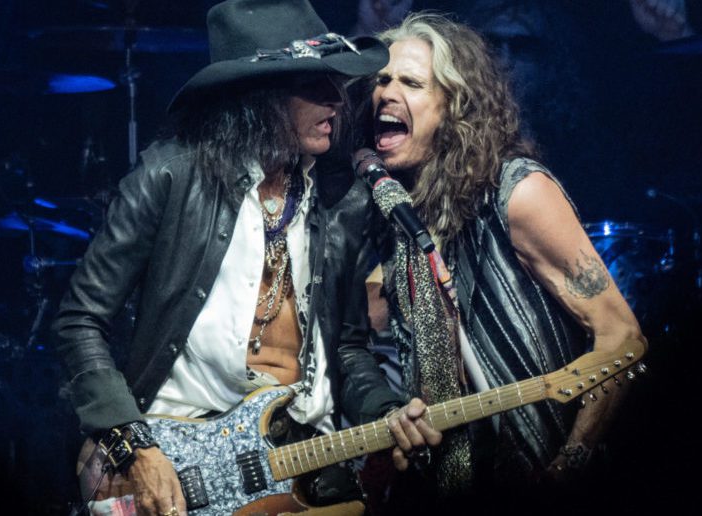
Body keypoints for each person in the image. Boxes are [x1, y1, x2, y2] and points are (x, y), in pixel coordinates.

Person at [51, 2, 436, 515]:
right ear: (259, 95)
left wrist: (387, 413)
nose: (336, 99)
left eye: (336, 82)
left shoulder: (342, 203)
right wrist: (134, 447)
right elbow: (80, 320)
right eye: (313, 84)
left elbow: (347, 351)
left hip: (305, 465)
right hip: (179, 453)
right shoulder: (170, 177)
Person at [362, 12, 648, 510]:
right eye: (382, 80)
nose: (387, 93)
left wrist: (569, 468)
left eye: (411, 82)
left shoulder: (517, 193)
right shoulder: (394, 213)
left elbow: (622, 338)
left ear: (455, 106)